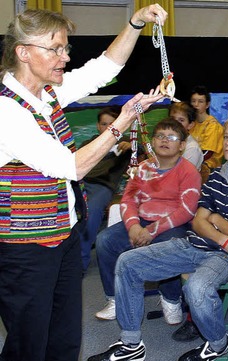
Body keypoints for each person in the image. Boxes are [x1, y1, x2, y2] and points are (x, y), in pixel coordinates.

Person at [0, 6, 165, 360]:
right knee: (28, 341)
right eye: (55, 49)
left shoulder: (45, 93)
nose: (66, 56)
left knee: (63, 334)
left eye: (66, 47)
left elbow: (104, 67)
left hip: (62, 234)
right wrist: (123, 121)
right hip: (26, 247)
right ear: (23, 52)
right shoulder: (7, 110)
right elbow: (71, 167)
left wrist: (136, 23)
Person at [88, 114, 228, 361]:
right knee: (128, 262)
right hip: (198, 246)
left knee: (197, 287)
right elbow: (197, 221)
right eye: (226, 137)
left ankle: (219, 343)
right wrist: (221, 233)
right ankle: (131, 344)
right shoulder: (217, 176)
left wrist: (215, 220)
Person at [94, 118, 201, 323]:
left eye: (171, 137)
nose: (164, 140)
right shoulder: (142, 168)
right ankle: (115, 299)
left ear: (182, 145)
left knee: (168, 247)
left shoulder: (189, 172)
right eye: (159, 135)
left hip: (173, 226)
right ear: (152, 142)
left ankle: (171, 299)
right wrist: (133, 226)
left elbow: (186, 210)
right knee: (105, 241)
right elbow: (129, 200)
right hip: (141, 221)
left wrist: (152, 230)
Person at [79, 106, 132, 272]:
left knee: (92, 210)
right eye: (104, 124)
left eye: (112, 124)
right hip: (79, 182)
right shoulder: (88, 143)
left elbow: (144, 153)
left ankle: (81, 262)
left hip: (102, 185)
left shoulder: (124, 145)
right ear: (97, 126)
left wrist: (131, 146)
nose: (108, 128)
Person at [189, 85, 224, 173]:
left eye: (200, 102)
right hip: (193, 164)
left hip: (210, 168)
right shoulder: (192, 124)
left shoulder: (213, 125)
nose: (196, 105)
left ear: (207, 104)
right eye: (193, 101)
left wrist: (188, 162)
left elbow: (208, 153)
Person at [169, 101, 204, 169]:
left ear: (190, 125)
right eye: (172, 119)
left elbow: (182, 176)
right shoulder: (167, 140)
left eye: (181, 120)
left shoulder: (192, 148)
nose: (175, 123)